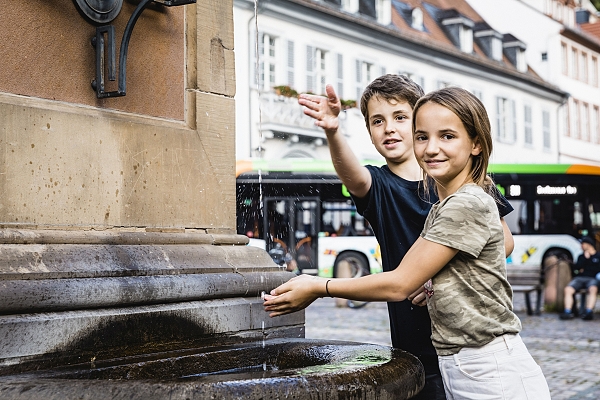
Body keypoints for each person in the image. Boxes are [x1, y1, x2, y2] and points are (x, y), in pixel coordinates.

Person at [264, 87, 550, 399]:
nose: (431, 147)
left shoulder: (467, 200)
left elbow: (400, 283)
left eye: (447, 136)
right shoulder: (442, 202)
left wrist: (318, 286)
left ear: (476, 144)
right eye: (423, 137)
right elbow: (410, 271)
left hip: (486, 367)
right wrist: (429, 278)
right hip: (460, 361)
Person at [560, 236, 600, 321]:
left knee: (593, 289)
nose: (581, 246)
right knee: (568, 289)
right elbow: (576, 269)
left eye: (582, 244)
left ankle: (588, 311)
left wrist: (589, 261)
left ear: (589, 244)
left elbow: (597, 269)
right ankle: (567, 311)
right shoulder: (581, 256)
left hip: (592, 278)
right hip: (580, 278)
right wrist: (585, 259)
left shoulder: (598, 256)